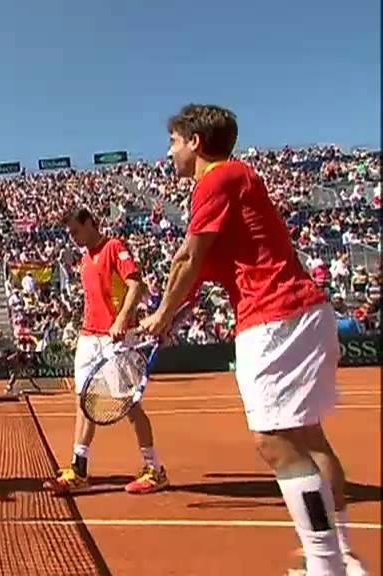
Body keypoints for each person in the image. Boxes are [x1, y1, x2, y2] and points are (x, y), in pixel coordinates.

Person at [141, 104, 364, 575]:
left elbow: (189, 261)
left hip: (274, 317)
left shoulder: (216, 180)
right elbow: (192, 262)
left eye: (174, 141)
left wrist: (162, 314)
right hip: (301, 312)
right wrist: (170, 315)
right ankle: (340, 557)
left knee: (273, 444)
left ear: (195, 143)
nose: (170, 151)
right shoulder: (232, 183)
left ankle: (326, 566)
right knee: (309, 440)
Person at [43, 209, 168, 496]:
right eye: (70, 234)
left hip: (115, 340)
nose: (73, 239)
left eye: (76, 231)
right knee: (82, 402)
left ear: (90, 224)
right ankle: (79, 468)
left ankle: (155, 469)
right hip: (89, 338)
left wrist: (122, 319)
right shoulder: (85, 259)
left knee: (130, 406)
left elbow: (136, 286)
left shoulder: (114, 247)